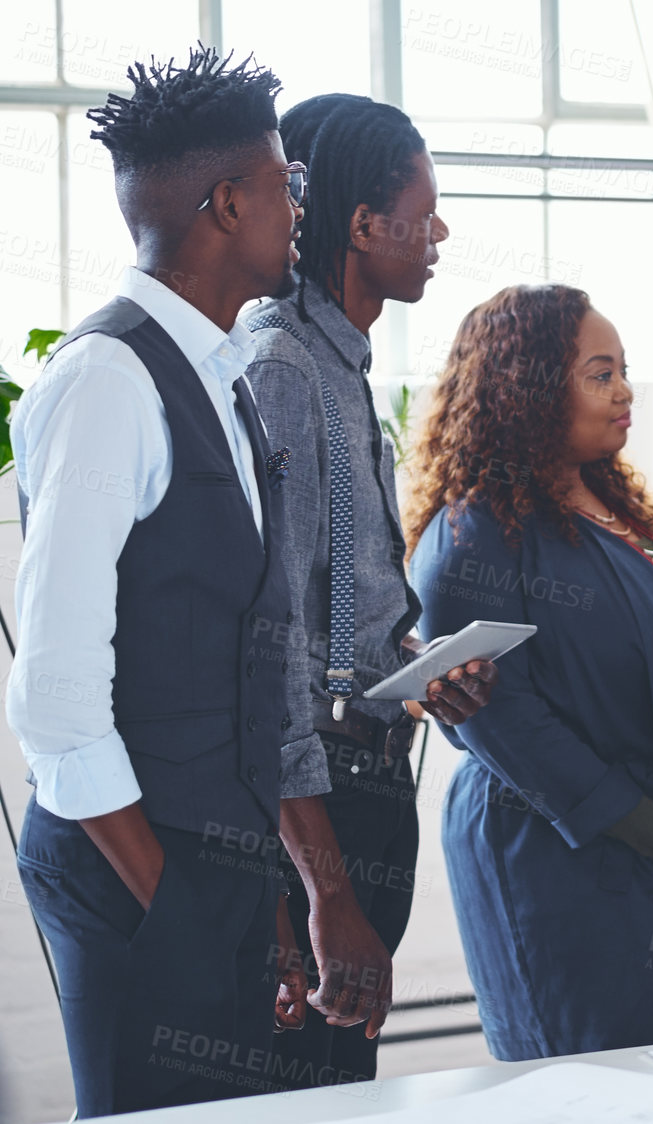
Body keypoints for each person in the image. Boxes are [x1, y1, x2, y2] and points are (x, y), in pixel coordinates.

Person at [6, 48, 385, 1114]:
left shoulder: (221, 372)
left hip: (207, 858)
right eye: (283, 185)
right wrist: (179, 904)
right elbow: (59, 707)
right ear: (226, 204)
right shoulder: (105, 383)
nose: (297, 206)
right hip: (134, 867)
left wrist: (266, 896)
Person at [404, 284, 653, 1059]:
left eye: (624, 369)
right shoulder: (475, 532)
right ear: (526, 390)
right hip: (558, 853)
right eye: (600, 374)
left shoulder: (620, 512)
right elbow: (500, 718)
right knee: (605, 1090)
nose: (625, 390)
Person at [243, 93, 497, 1088]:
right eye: (424, 210)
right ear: (360, 224)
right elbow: (268, 648)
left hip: (369, 776)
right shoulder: (281, 369)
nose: (438, 233)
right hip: (317, 805)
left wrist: (419, 668)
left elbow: (337, 621)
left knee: (341, 1071)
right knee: (301, 1078)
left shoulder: (343, 370)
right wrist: (319, 891)